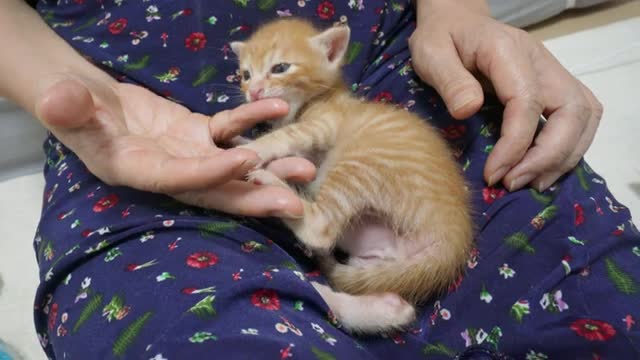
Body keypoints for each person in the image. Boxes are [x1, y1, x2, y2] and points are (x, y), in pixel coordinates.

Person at [1, 0, 637, 358]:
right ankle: (330, 291)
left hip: (394, 73)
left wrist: (456, 11)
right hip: (128, 131)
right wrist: (76, 87)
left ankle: (332, 279)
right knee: (181, 341)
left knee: (604, 310)